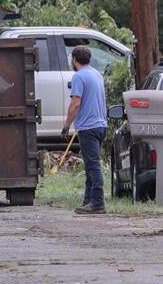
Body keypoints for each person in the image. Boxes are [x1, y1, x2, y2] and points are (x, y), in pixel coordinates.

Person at [62, 45, 108, 214]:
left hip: (88, 127)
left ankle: (97, 202)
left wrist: (66, 125)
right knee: (90, 165)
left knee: (93, 165)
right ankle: (88, 200)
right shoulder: (96, 74)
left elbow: (75, 104)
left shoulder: (79, 77)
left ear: (74, 59)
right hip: (101, 125)